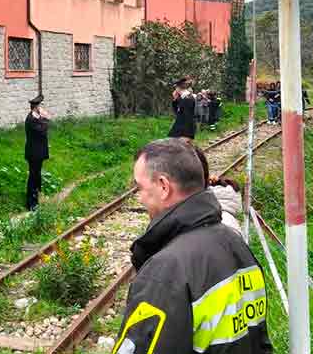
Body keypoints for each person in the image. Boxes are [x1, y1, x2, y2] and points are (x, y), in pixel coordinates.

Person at [115, 138, 273, 353]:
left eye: (140, 188)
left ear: (163, 186)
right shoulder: (235, 243)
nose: (140, 198)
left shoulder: (166, 271)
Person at [24, 94, 50, 210]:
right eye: (41, 106)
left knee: (37, 175)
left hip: (38, 153)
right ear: (36, 107)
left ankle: (38, 197)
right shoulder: (31, 120)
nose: (42, 108)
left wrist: (42, 118)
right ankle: (31, 203)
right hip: (34, 153)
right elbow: (43, 131)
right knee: (33, 176)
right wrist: (45, 118)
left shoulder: (36, 118)